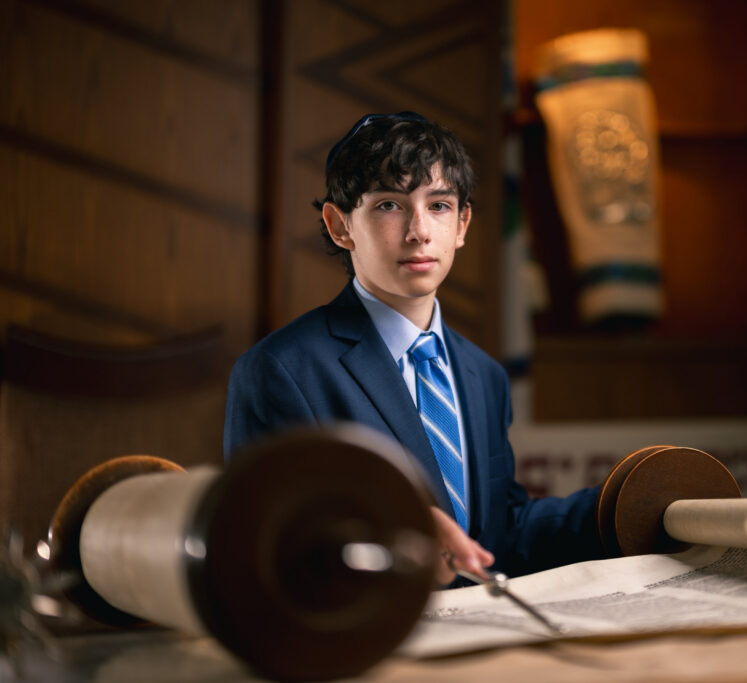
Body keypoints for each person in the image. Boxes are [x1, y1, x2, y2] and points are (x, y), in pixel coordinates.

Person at [223, 111, 607, 586]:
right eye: (389, 205)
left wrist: (619, 504)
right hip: (361, 644)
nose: (419, 231)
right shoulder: (281, 371)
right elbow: (263, 545)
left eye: (439, 205)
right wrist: (390, 538)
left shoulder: (483, 375)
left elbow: (500, 535)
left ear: (463, 224)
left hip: (484, 640)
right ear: (340, 226)